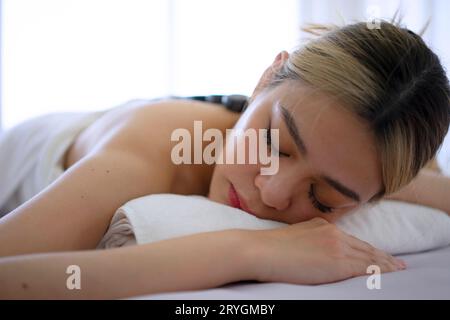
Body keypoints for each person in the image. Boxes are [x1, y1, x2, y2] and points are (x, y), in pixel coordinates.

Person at [0, 20, 449, 299]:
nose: (271, 192)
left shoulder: (365, 163)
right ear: (267, 78)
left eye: (323, 196)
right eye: (273, 143)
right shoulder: (151, 153)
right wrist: (251, 250)